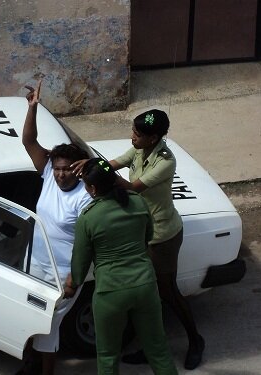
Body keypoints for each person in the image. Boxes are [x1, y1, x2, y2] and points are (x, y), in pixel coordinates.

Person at [72, 108, 204, 370]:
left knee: (166, 291)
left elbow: (132, 187)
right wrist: (90, 166)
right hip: (145, 227)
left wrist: (98, 177)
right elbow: (114, 163)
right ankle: (151, 343)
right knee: (147, 295)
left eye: (137, 134)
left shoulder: (165, 161)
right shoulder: (139, 149)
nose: (132, 137)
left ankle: (195, 340)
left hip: (162, 234)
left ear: (153, 138)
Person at [66, 158, 178, 375]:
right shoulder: (138, 202)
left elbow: (79, 265)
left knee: (108, 356)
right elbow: (149, 236)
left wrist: (72, 285)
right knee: (158, 350)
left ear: (94, 188)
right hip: (145, 285)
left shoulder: (88, 218)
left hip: (111, 291)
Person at [18, 80, 92, 375]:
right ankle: (30, 366)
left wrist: (74, 279)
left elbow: (88, 243)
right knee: (30, 319)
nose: (60, 174)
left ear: (77, 168)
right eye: (57, 168)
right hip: (36, 262)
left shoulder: (85, 197)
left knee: (48, 327)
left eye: (66, 169)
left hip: (64, 273)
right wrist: (32, 108)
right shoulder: (48, 173)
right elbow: (29, 141)